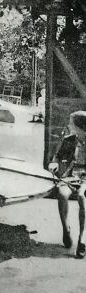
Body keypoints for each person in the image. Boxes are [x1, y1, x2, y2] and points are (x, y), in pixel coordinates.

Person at [50, 111, 86, 259]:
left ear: (80, 127)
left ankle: (82, 240)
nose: (69, 125)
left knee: (83, 197)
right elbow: (57, 155)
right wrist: (53, 163)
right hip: (69, 176)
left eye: (71, 123)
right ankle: (66, 229)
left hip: (85, 179)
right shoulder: (69, 140)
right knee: (63, 194)